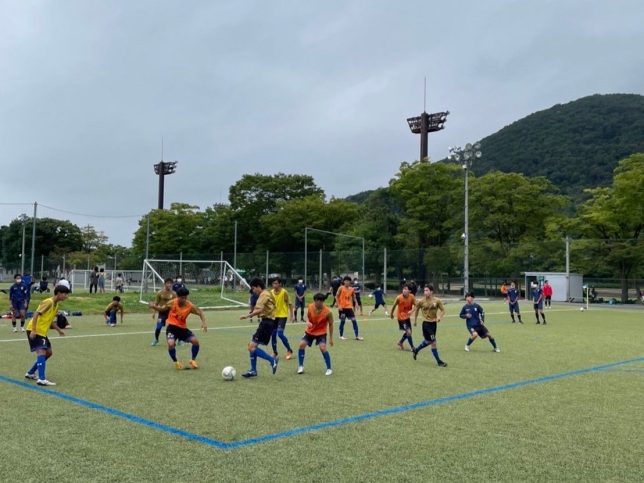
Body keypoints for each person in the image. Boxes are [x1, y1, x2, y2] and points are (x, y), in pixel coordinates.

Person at [149, 287, 207, 370]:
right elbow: (162, 309)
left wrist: (204, 323)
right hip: (172, 329)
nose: (184, 300)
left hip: (183, 329)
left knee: (195, 342)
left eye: (185, 297)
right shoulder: (172, 303)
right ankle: (176, 362)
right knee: (171, 344)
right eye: (182, 298)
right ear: (178, 297)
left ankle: (193, 360)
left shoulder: (189, 306)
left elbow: (200, 312)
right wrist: (154, 307)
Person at [24, 284, 71, 386]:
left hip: (42, 332)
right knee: (41, 351)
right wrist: (33, 330)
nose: (66, 296)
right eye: (65, 294)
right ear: (59, 293)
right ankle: (41, 379)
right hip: (36, 330)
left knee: (48, 353)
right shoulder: (48, 302)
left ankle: (31, 373)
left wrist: (59, 330)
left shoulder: (56, 305)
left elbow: (50, 320)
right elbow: (36, 314)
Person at [239, 278, 279, 378]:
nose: (253, 291)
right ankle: (253, 370)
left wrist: (248, 316)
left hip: (266, 323)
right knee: (252, 346)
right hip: (268, 322)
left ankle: (272, 360)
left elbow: (259, 309)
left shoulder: (263, 294)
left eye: (253, 288)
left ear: (258, 286)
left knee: (251, 347)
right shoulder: (268, 293)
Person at [297, 293, 334, 376]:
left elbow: (331, 324)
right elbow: (308, 317)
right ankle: (300, 366)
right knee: (302, 344)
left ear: (323, 302)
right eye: (317, 301)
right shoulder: (310, 307)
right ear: (315, 301)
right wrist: (307, 322)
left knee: (322, 347)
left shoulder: (328, 312)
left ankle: (329, 369)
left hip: (321, 332)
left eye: (321, 302)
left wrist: (331, 338)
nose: (319, 304)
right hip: (310, 331)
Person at [412, 284, 447, 367]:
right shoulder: (421, 301)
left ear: (431, 291)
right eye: (424, 290)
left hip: (434, 324)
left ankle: (416, 350)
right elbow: (417, 310)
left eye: (427, 290)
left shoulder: (437, 301)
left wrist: (439, 317)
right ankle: (439, 362)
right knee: (433, 342)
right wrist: (415, 320)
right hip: (426, 324)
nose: (425, 292)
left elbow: (443, 310)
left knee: (428, 341)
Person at [270, 277, 294, 360]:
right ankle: (275, 352)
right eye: (273, 283)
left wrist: (292, 316)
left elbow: (290, 304)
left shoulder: (284, 292)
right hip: (274, 316)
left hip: (282, 316)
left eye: (276, 283)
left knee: (280, 334)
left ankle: (289, 350)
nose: (274, 285)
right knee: (273, 335)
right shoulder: (271, 292)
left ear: (280, 284)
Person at [336, 275, 363, 341]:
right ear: (344, 281)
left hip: (349, 308)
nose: (347, 282)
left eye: (348, 281)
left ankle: (357, 336)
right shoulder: (341, 288)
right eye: (346, 281)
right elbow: (336, 296)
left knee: (354, 321)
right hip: (342, 308)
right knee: (342, 321)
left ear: (350, 282)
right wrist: (339, 305)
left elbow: (354, 297)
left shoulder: (351, 289)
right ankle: (341, 336)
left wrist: (356, 303)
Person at [390, 285, 416, 351]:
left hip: (407, 317)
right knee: (408, 332)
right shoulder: (399, 297)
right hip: (401, 318)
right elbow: (394, 306)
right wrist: (391, 314)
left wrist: (411, 311)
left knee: (409, 332)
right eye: (403, 289)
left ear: (409, 291)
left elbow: (416, 305)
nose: (404, 290)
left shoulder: (412, 297)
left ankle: (400, 342)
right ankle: (412, 347)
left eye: (406, 289)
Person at [151, 277, 175, 346]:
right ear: (164, 284)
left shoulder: (174, 294)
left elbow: (176, 304)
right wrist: (154, 312)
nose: (169, 285)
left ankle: (179, 340)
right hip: (162, 313)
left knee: (175, 327)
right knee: (158, 327)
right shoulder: (159, 293)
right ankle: (156, 339)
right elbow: (156, 303)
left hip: (171, 313)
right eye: (168, 283)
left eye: (170, 283)